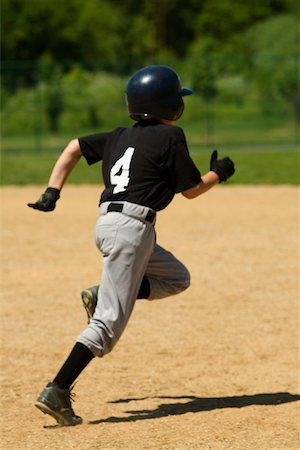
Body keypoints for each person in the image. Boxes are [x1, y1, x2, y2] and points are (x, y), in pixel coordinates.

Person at [28, 65, 235, 426]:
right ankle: (58, 389)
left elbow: (74, 146)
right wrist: (219, 173)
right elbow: (190, 190)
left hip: (109, 224)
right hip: (131, 230)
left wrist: (52, 191)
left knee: (176, 277)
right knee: (108, 324)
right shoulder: (172, 137)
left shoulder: (118, 135)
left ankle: (102, 292)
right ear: (172, 106)